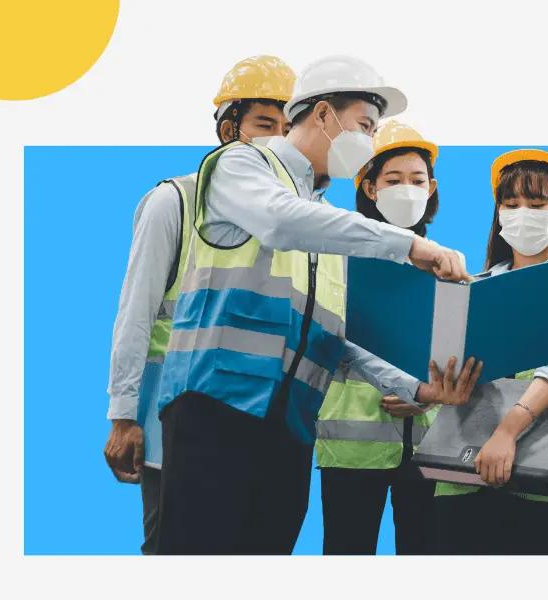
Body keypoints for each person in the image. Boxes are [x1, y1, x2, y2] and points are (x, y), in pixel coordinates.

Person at [153, 55, 469, 555]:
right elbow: (279, 221)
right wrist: (408, 244)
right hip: (217, 410)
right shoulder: (241, 165)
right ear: (323, 114)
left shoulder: (323, 219)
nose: (368, 141)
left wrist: (415, 387)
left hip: (290, 426)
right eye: (365, 125)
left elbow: (333, 338)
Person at [102, 55, 295, 554]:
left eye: (287, 128)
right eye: (264, 125)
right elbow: (136, 311)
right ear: (230, 130)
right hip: (172, 422)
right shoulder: (175, 202)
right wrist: (123, 416)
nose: (277, 140)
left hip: (256, 424)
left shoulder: (290, 218)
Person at [429, 149, 548, 555]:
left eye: (536, 203)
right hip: (465, 475)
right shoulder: (473, 288)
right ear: (498, 215)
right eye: (511, 204)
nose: (521, 213)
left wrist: (507, 432)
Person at [315, 121, 453, 555]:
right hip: (352, 447)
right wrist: (407, 386)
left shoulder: (445, 264)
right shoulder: (337, 256)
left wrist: (427, 399)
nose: (407, 190)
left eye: (417, 180)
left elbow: (457, 352)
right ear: (370, 187)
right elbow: (330, 336)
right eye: (393, 180)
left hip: (430, 445)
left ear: (431, 188)